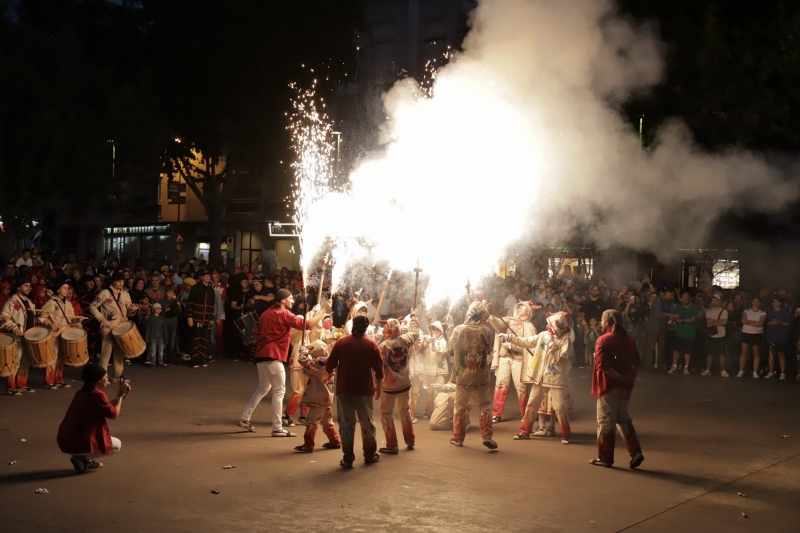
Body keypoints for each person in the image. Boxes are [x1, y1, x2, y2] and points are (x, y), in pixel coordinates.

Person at [237, 289, 330, 436]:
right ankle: (277, 428)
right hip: (274, 356)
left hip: (261, 356)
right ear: (282, 301)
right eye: (290, 298)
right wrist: (324, 309)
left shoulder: (265, 314)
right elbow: (309, 324)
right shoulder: (284, 314)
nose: (293, 301)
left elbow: (255, 334)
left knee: (263, 388)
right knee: (279, 391)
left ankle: (245, 418)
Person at [500, 312, 572, 444]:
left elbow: (563, 358)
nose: (547, 327)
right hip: (540, 376)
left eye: (550, 325)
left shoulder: (565, 339)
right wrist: (509, 337)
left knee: (560, 407)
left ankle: (566, 434)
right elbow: (526, 342)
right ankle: (524, 432)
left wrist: (551, 346)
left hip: (556, 379)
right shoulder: (544, 335)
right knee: (532, 403)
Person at [326, 315, 384, 468]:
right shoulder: (371, 345)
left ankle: (348, 458)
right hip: (364, 391)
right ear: (366, 328)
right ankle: (370, 455)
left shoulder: (341, 342)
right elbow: (379, 370)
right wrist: (379, 387)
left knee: (346, 424)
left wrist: (329, 373)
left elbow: (329, 364)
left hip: (344, 389)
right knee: (367, 423)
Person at [590, 309, 644, 469]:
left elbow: (603, 366)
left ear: (607, 322)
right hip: (626, 386)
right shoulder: (629, 339)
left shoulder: (603, 340)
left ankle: (605, 457)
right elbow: (637, 362)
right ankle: (635, 452)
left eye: (601, 320)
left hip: (609, 386)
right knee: (623, 418)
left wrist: (619, 377)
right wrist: (630, 378)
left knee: (606, 421)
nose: (600, 323)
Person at [56, 364, 131, 473]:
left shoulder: (81, 392)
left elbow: (105, 407)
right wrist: (120, 397)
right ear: (99, 380)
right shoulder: (98, 394)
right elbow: (113, 414)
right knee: (116, 445)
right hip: (79, 441)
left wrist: (120, 396)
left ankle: (82, 457)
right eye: (105, 376)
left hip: (65, 438)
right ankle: (82, 458)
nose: (107, 378)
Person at [448, 301, 497, 449]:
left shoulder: (458, 330)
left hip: (463, 375)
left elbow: (450, 350)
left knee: (460, 406)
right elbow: (489, 349)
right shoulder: (486, 331)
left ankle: (458, 437)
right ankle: (487, 436)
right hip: (481, 375)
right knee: (485, 406)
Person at [377, 311, 420, 455]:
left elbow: (379, 365)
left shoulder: (384, 345)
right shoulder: (405, 340)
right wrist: (414, 317)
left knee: (385, 413)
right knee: (404, 411)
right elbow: (415, 331)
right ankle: (410, 440)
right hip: (404, 383)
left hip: (389, 385)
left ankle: (391, 444)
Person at [488, 302, 535, 423]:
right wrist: (491, 316)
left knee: (521, 387)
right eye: (518, 306)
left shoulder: (530, 326)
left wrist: (514, 346)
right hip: (505, 356)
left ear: (529, 311)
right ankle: (496, 414)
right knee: (500, 384)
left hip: (519, 359)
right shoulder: (510, 320)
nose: (519, 308)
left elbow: (530, 345)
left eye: (523, 307)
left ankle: (525, 414)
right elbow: (499, 323)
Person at [88, 271, 138, 382]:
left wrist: (132, 311)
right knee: (106, 353)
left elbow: (128, 312)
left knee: (120, 353)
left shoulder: (126, 294)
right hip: (108, 327)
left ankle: (117, 375)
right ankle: (102, 377)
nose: (121, 284)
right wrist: (101, 318)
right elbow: (92, 306)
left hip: (122, 328)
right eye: (119, 281)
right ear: (114, 281)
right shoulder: (105, 293)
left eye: (122, 282)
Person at [293, 340, 341, 453]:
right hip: (326, 398)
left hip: (318, 398)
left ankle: (308, 444)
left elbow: (303, 362)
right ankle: (335, 441)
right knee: (327, 422)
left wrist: (304, 352)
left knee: (311, 421)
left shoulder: (319, 364)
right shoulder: (327, 363)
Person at [40, 282, 81, 389]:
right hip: (54, 333)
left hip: (65, 333)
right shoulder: (51, 302)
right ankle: (49, 381)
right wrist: (49, 323)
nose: (66, 290)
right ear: (58, 290)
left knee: (62, 357)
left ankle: (59, 379)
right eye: (63, 288)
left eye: (67, 288)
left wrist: (75, 320)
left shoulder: (68, 303)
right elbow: (41, 316)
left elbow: (71, 318)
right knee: (52, 357)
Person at [1, 279, 38, 394]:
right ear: (18, 287)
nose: (29, 287)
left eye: (30, 286)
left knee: (25, 362)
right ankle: (11, 387)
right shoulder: (12, 301)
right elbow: (3, 317)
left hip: (28, 337)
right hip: (17, 337)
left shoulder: (29, 302)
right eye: (25, 285)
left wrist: (44, 318)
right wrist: (14, 327)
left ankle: (21, 384)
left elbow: (34, 318)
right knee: (15, 362)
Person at [185, 270, 216, 368]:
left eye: (208, 276)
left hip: (206, 318)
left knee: (204, 340)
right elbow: (190, 303)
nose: (207, 278)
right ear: (201, 277)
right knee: (196, 339)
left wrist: (211, 318)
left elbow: (211, 306)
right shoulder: (195, 288)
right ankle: (194, 361)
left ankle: (201, 360)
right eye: (205, 276)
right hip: (196, 317)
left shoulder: (211, 290)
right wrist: (189, 316)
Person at [668, 292, 699, 375]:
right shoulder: (679, 306)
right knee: (676, 350)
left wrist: (683, 320)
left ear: (689, 299)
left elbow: (693, 319)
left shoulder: (694, 307)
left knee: (687, 351)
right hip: (679, 332)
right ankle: (674, 366)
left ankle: (686, 367)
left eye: (686, 300)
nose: (684, 302)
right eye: (683, 300)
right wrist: (675, 319)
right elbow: (678, 315)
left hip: (689, 333)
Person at [737, 297, 766, 378]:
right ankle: (741, 370)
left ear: (760, 303)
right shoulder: (746, 311)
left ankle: (755, 371)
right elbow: (743, 321)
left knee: (756, 353)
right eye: (754, 301)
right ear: (751, 302)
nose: (755, 302)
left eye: (757, 301)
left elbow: (760, 324)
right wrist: (754, 322)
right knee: (744, 353)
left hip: (757, 334)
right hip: (746, 333)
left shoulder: (762, 313)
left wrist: (749, 322)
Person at [703, 295, 729, 377]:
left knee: (722, 353)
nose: (714, 301)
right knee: (709, 353)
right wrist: (719, 321)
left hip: (721, 334)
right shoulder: (708, 311)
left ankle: (723, 370)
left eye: (716, 300)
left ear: (720, 301)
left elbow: (724, 323)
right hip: (711, 335)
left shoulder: (724, 311)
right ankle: (708, 369)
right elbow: (708, 321)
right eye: (713, 300)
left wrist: (713, 322)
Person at [765, 296, 791, 379]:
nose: (774, 303)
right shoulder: (769, 312)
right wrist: (771, 323)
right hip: (771, 337)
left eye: (776, 301)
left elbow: (788, 324)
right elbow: (765, 323)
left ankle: (782, 373)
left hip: (781, 337)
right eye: (773, 301)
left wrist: (779, 323)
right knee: (771, 353)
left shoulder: (785, 312)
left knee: (781, 354)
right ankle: (770, 372)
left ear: (780, 303)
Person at [143, 303, 167, 367]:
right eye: (157, 308)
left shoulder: (162, 318)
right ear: (154, 309)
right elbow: (148, 328)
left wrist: (165, 337)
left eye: (160, 309)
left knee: (161, 351)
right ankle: (153, 362)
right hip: (153, 337)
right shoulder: (150, 318)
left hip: (160, 337)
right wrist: (147, 338)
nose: (158, 310)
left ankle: (160, 362)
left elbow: (163, 328)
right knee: (153, 351)